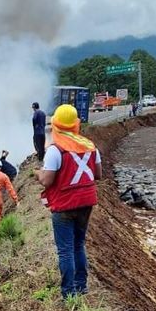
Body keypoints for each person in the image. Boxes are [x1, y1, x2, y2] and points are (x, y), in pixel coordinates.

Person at [36, 103, 102, 298]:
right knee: (78, 245)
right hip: (87, 202)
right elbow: (97, 174)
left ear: (56, 124)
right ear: (75, 124)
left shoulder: (55, 151)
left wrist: (38, 174)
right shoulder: (90, 146)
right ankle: (81, 286)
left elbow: (47, 181)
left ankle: (69, 293)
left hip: (64, 205)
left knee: (65, 250)